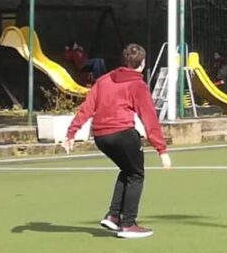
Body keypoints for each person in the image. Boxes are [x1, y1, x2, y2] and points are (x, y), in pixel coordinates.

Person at [61, 43, 171, 239]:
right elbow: (149, 118)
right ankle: (128, 224)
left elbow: (87, 107)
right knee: (136, 175)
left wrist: (71, 133)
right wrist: (161, 150)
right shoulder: (138, 85)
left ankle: (113, 216)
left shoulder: (103, 80)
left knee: (127, 170)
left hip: (101, 137)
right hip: (122, 133)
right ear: (143, 63)